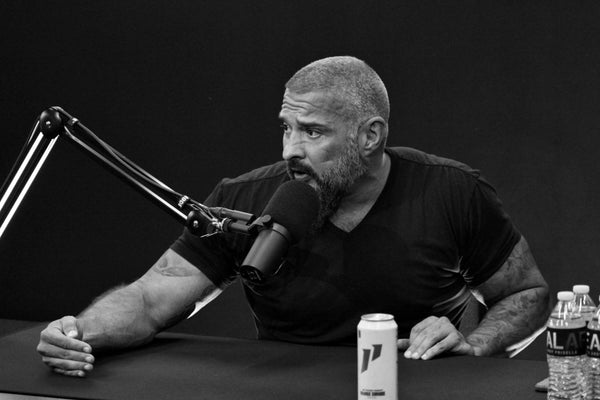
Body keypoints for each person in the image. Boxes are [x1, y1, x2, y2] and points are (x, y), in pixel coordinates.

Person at [37, 56, 550, 377]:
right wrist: (79, 331)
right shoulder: (246, 198)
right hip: (287, 387)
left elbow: (526, 293)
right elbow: (152, 298)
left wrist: (474, 345)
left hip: (419, 387)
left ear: (369, 136)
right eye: (286, 128)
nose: (290, 150)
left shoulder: (451, 191)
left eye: (312, 131)